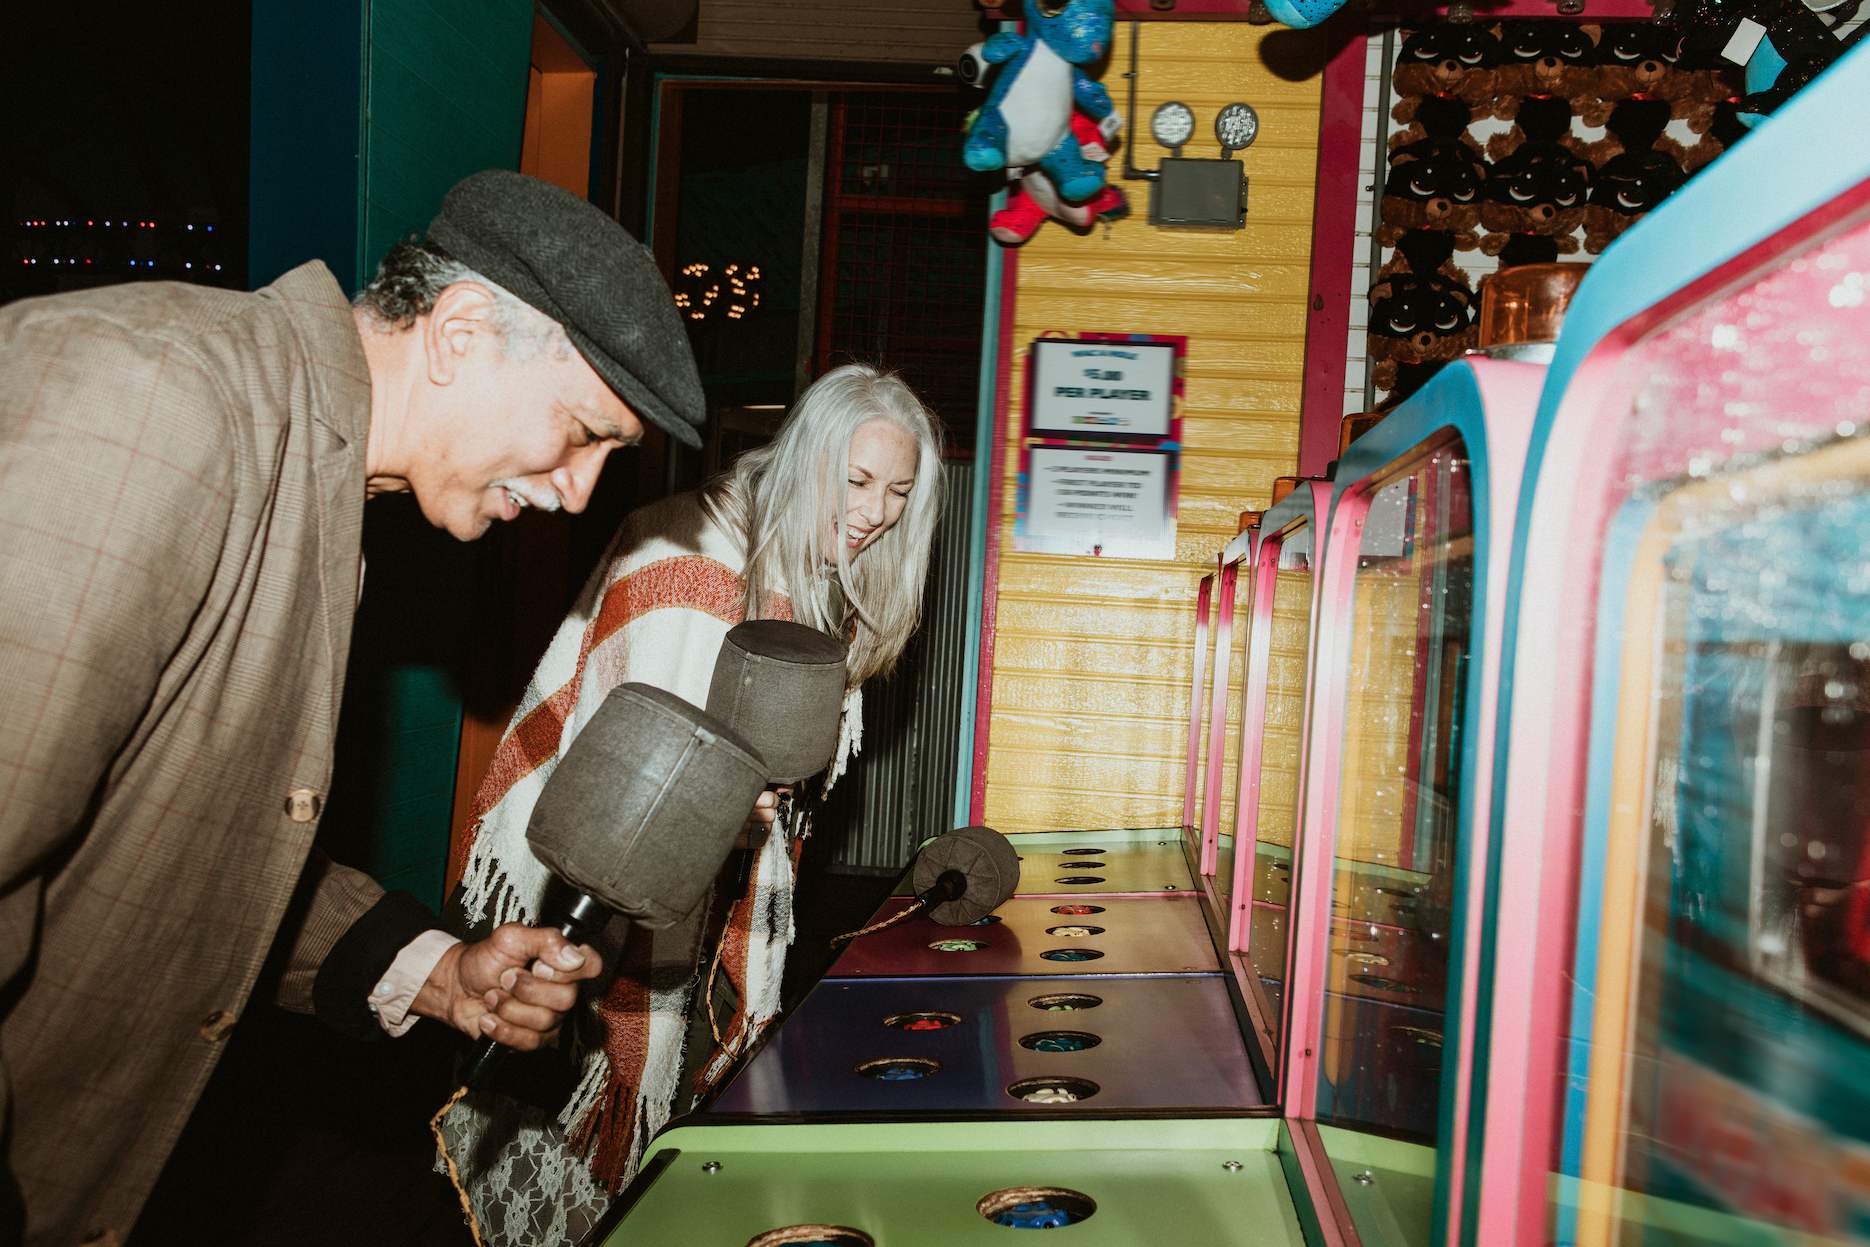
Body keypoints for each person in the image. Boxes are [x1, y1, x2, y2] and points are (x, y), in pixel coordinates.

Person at [0, 169, 709, 1245]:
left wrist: (439, 973)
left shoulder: (318, 477)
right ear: (461, 331)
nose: (577, 491)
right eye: (580, 431)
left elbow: (188, 835)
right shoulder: (157, 398)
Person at [442, 363, 944, 1245]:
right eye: (858, 481)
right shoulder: (696, 559)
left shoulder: (803, 563)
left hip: (714, 891)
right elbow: (641, 780)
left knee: (669, 1144)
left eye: (899, 491)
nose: (876, 513)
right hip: (601, 885)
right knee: (591, 1127)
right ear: (806, 458)